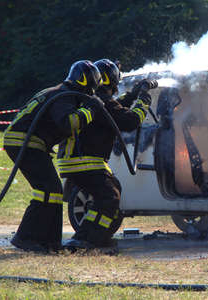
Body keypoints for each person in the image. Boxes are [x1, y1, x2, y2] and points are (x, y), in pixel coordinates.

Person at [3, 60, 105, 252]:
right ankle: (25, 237)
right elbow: (68, 122)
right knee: (47, 190)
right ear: (87, 85)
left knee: (53, 192)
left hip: (27, 142)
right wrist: (91, 109)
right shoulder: (64, 96)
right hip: (26, 142)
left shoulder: (60, 91)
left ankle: (49, 242)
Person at [58, 59, 155, 249]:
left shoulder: (98, 100)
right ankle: (90, 240)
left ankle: (87, 235)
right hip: (84, 161)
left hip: (77, 159)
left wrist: (132, 95)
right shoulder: (102, 102)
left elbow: (114, 109)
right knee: (109, 197)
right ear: (113, 80)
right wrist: (143, 99)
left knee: (108, 193)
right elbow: (130, 121)